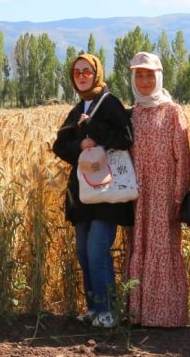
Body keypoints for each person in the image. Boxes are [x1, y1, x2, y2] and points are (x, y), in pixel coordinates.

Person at [53, 52, 134, 328]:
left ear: (97, 73)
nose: (82, 76)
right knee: (82, 251)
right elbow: (59, 146)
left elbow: (126, 137)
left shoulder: (109, 103)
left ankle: (108, 310)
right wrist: (80, 146)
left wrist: (94, 132)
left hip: (108, 191)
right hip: (83, 193)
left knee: (98, 249)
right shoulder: (77, 108)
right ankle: (93, 308)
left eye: (87, 71)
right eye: (77, 73)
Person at [124, 52, 190, 328]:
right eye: (139, 75)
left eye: (149, 74)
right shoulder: (133, 114)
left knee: (163, 250)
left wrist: (178, 195)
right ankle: (138, 313)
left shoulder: (172, 111)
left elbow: (183, 157)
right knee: (139, 245)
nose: (144, 80)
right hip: (138, 195)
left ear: (159, 76)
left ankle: (166, 316)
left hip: (164, 195)